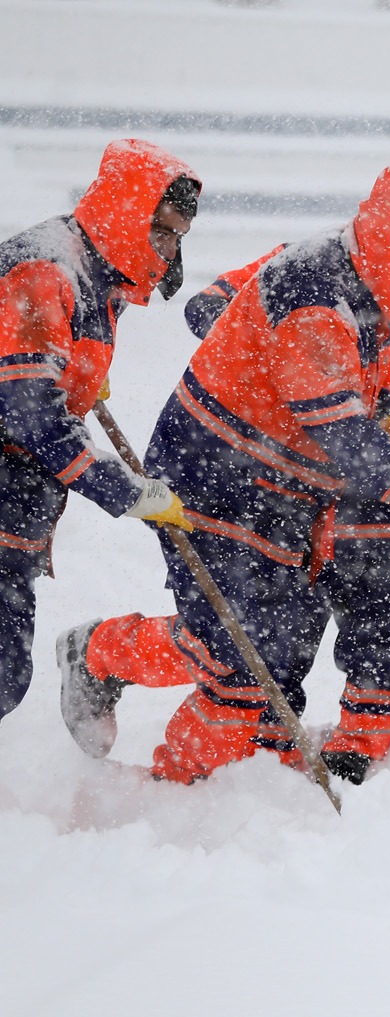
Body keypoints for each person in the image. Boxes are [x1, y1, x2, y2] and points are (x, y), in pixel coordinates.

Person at [65, 162, 390, 783]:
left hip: (285, 485)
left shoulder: (372, 285)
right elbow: (340, 430)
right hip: (217, 469)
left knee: (272, 640)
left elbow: (364, 397)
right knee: (231, 645)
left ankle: (232, 772)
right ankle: (108, 669)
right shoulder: (313, 290)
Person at [0, 138, 199, 730]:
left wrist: (79, 378)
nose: (167, 249)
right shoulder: (44, 270)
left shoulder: (97, 271)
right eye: (160, 231)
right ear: (126, 211)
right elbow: (29, 414)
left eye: (178, 238)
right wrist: (124, 490)